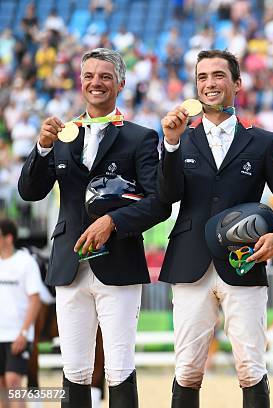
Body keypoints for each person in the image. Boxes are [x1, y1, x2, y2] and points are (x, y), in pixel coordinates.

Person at [18, 48, 170, 407]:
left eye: (104, 76)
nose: (95, 83)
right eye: (89, 76)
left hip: (118, 263)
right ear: (80, 81)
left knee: (118, 368)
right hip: (69, 265)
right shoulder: (62, 135)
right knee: (74, 371)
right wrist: (41, 148)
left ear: (120, 82)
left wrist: (113, 221)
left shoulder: (141, 137)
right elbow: (30, 190)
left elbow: (158, 202)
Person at [157, 49, 273, 408]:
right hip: (190, 263)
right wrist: (171, 145)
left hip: (245, 261)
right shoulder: (179, 138)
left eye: (219, 75)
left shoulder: (263, 142)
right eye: (203, 76)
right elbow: (166, 196)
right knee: (188, 369)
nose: (210, 83)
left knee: (251, 368)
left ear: (236, 84)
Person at [0, 219, 42, 408]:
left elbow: (35, 299)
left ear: (8, 238)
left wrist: (24, 333)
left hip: (17, 335)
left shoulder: (26, 262)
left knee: (13, 383)